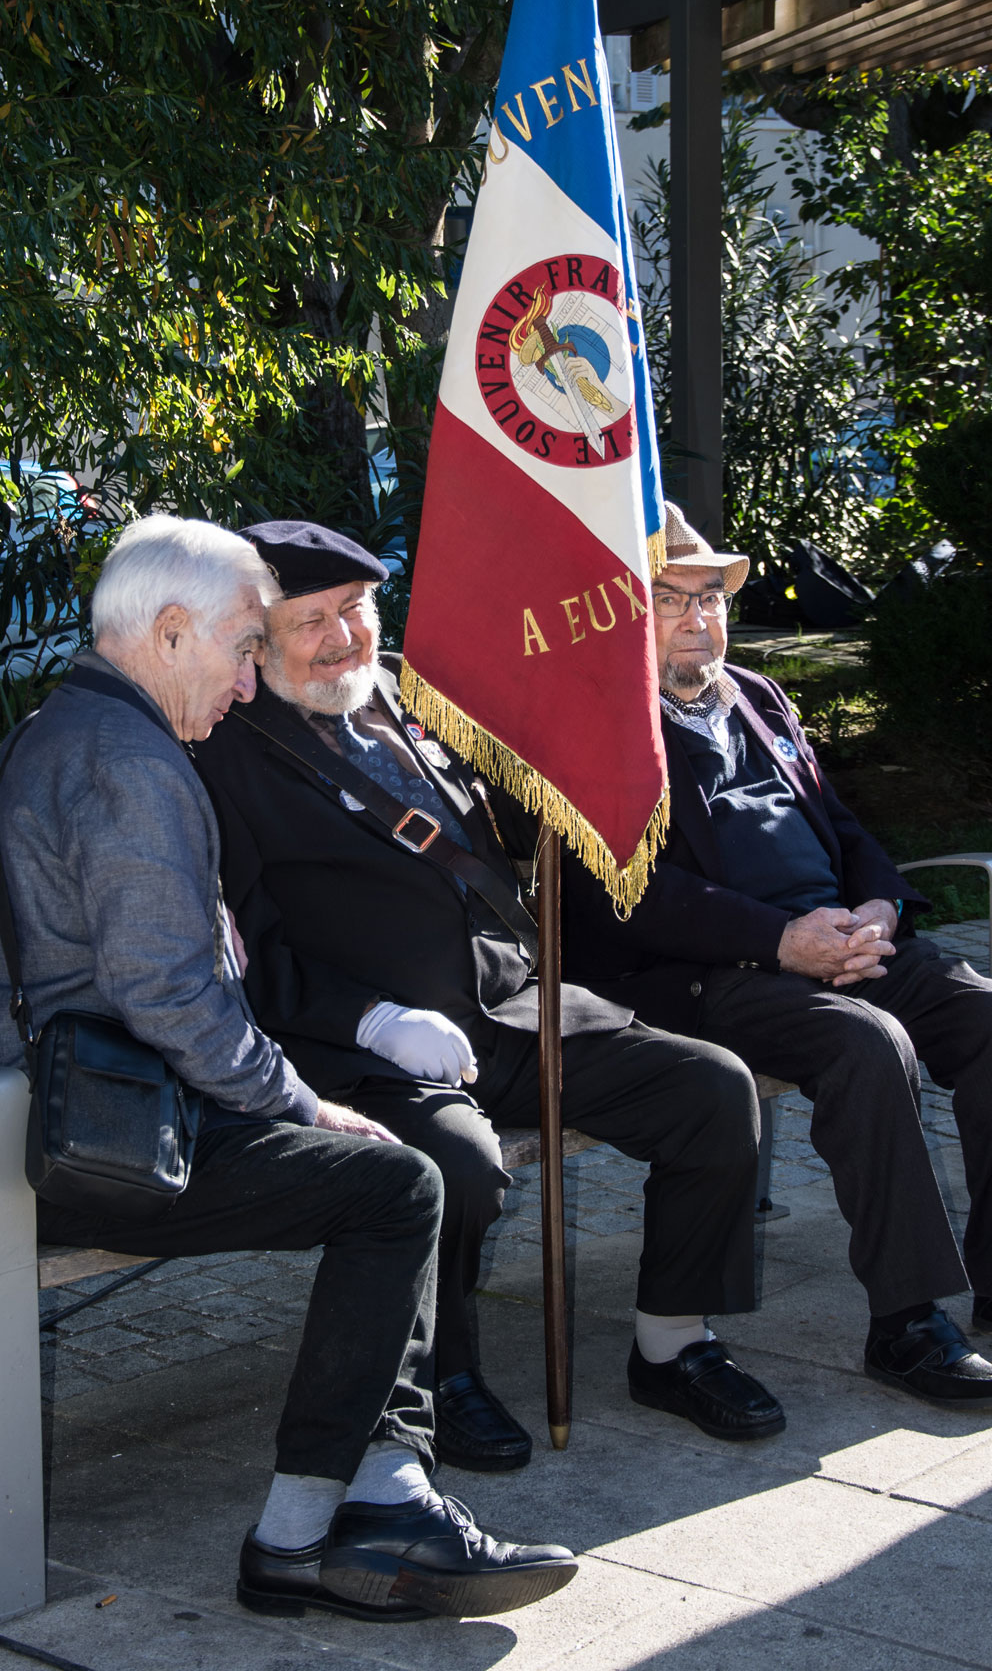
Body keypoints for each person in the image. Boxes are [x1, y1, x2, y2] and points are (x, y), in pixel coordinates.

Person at [0, 514, 575, 1625]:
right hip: (88, 1142)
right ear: (173, 630)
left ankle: (366, 1502)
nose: (247, 684)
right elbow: (170, 995)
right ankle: (318, 1525)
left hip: (97, 1104)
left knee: (395, 1170)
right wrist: (305, 1101)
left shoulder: (84, 726)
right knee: (394, 1180)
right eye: (245, 647)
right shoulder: (129, 759)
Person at [191, 519, 786, 1473]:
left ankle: (674, 1346)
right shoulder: (221, 751)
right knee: (457, 1169)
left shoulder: (411, 706)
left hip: (509, 1010)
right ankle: (440, 1373)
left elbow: (502, 834)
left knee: (709, 1090)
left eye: (357, 610)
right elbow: (241, 948)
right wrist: (370, 1020)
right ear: (255, 638)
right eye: (313, 621)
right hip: (366, 1053)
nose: (344, 637)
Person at [561, 499, 992, 1410]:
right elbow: (625, 892)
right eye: (673, 598)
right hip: (710, 974)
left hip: (839, 941)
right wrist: (781, 942)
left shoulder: (758, 697)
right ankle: (908, 1321)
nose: (702, 617)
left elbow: (842, 829)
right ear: (622, 609)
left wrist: (879, 909)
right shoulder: (592, 729)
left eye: (712, 597)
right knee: (865, 1044)